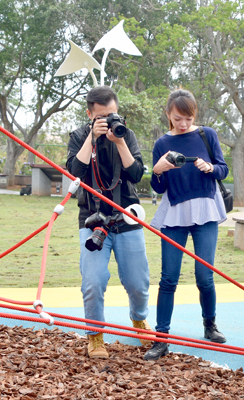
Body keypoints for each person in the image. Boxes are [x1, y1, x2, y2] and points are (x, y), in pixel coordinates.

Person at [143, 89, 230, 361]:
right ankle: (162, 338)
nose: (183, 124)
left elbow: (223, 169)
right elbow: (157, 186)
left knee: (205, 276)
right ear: (168, 114)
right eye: (178, 118)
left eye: (188, 118)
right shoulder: (161, 143)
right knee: (168, 278)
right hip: (175, 214)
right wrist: (157, 170)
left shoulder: (207, 135)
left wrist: (210, 168)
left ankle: (210, 325)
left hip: (205, 210)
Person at [66, 86, 151, 359]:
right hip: (92, 218)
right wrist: (91, 137)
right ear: (90, 115)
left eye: (113, 114)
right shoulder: (79, 136)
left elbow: (137, 174)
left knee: (138, 282)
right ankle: (95, 336)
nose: (109, 120)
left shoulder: (126, 134)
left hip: (127, 217)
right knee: (93, 280)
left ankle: (139, 320)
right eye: (101, 117)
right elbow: (74, 173)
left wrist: (120, 141)